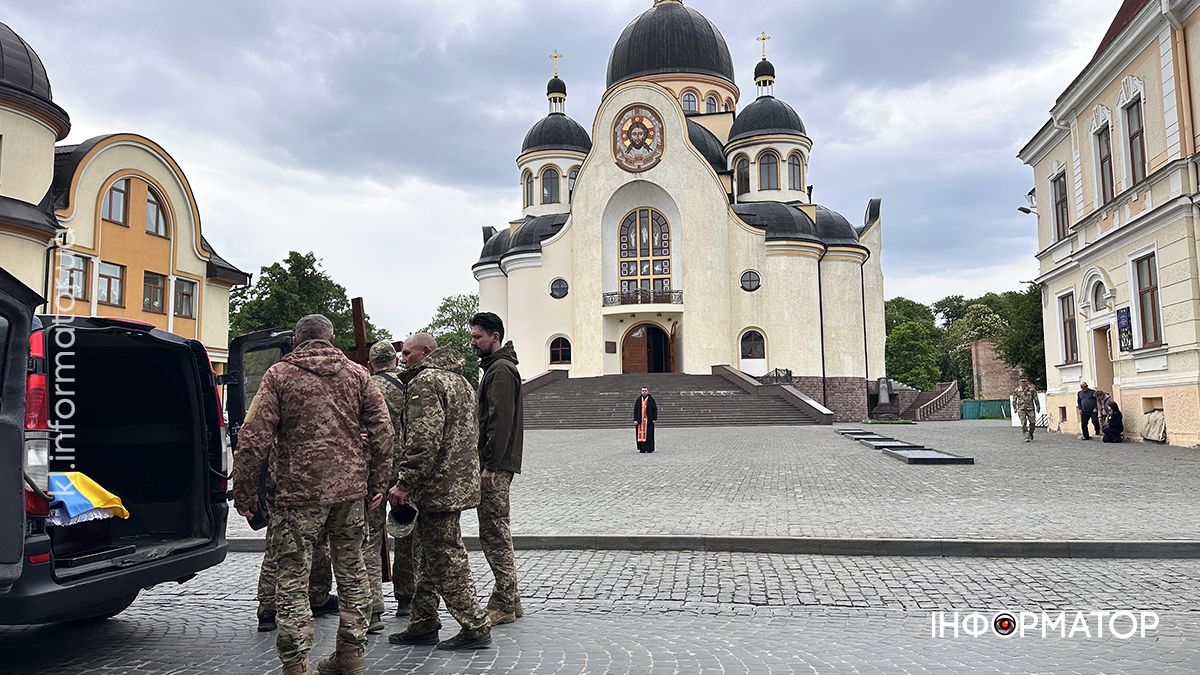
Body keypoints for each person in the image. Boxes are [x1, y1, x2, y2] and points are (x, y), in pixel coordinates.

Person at [233, 314, 394, 675]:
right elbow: (383, 431)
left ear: (295, 340)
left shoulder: (278, 376)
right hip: (349, 492)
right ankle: (351, 656)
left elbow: (252, 437)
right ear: (332, 338)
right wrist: (378, 484)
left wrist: (245, 494)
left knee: (292, 576)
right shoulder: (358, 376)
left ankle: (295, 664)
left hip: (295, 494)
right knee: (352, 572)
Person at [387, 333, 492, 651]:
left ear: (426, 352)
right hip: (454, 483)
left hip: (435, 487)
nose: (403, 358)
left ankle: (475, 624)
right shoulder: (460, 381)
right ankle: (423, 621)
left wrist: (404, 482)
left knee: (446, 556)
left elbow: (423, 440)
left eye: (407, 353)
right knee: (427, 555)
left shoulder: (425, 382)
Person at [468, 312, 524, 626]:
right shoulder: (497, 368)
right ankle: (511, 600)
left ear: (495, 337)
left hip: (495, 466)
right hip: (497, 463)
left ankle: (503, 600)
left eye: (478, 337)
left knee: (494, 533)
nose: (473, 342)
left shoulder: (500, 370)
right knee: (495, 530)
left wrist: (489, 466)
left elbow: (499, 422)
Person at [365, 340, 416, 633]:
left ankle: (372, 609)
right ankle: (407, 599)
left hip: (372, 475)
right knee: (406, 536)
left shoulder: (366, 388)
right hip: (404, 474)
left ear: (372, 364)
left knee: (369, 539)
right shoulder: (409, 387)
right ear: (395, 361)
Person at [1011, 377, 1040, 443]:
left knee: (1033, 423)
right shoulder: (1017, 390)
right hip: (1021, 409)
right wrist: (1015, 408)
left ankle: (1030, 433)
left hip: (1030, 408)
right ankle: (1026, 436)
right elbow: (1014, 400)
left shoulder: (1032, 389)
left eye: (1025, 381)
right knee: (1023, 423)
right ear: (1020, 382)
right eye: (1022, 381)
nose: (1023, 383)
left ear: (1027, 382)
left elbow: (1036, 398)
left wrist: (1038, 407)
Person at [634, 386, 658, 453]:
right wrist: (635, 419)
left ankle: (649, 448)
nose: (644, 392)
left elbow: (655, 409)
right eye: (643, 391)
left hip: (649, 421)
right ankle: (642, 448)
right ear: (641, 392)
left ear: (648, 391)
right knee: (640, 434)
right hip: (640, 421)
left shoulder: (651, 400)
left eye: (645, 391)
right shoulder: (638, 400)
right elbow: (635, 410)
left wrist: (654, 418)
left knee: (649, 435)